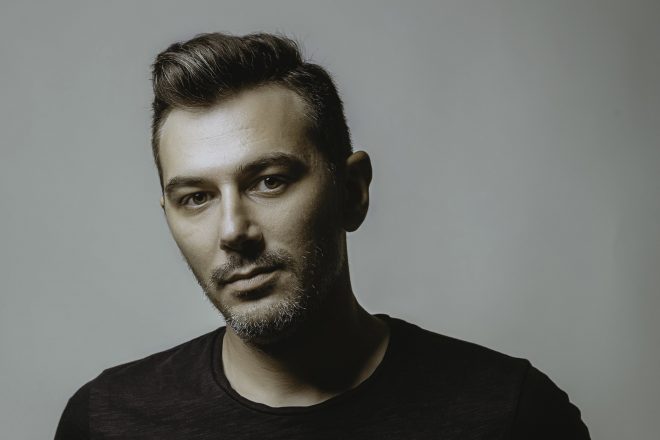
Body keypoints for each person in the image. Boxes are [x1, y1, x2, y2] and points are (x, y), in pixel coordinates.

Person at [55, 32, 590, 439]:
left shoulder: (511, 413)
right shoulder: (105, 421)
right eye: (196, 197)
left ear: (352, 191)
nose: (233, 230)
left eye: (269, 181)